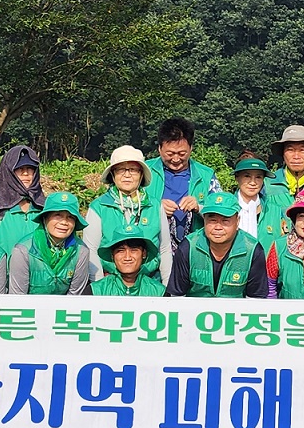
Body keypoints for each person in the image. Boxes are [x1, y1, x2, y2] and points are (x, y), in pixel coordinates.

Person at [84, 145, 170, 283]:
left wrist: (166, 288)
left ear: (141, 174)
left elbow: (165, 249)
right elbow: (91, 250)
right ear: (112, 174)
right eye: (120, 169)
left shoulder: (155, 205)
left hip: (150, 281)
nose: (127, 174)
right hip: (110, 281)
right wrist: (99, 287)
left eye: (133, 170)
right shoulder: (98, 207)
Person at [169, 190, 270, 297]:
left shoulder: (252, 250)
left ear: (237, 221)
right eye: (212, 220)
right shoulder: (188, 247)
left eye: (225, 221)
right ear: (204, 220)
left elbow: (256, 300)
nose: (218, 227)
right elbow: (176, 296)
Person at [147, 117, 220, 248]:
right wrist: (155, 208)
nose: (175, 159)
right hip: (153, 249)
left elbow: (222, 212)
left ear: (191, 148)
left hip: (195, 249)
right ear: (159, 148)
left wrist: (199, 208)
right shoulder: (144, 173)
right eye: (170, 153)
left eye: (182, 153)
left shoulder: (206, 176)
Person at [3, 191, 94, 294]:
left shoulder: (81, 251)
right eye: (57, 215)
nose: (64, 222)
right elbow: (18, 296)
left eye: (70, 217)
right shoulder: (23, 250)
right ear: (44, 218)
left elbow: (74, 295)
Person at [261, 125, 304, 247]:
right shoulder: (268, 183)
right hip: (277, 251)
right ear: (283, 153)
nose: (296, 156)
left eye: (302, 150)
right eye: (290, 150)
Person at [0, 144, 46, 257]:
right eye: (19, 169)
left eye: (30, 168)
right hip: (5, 274)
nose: (25, 173)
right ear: (8, 172)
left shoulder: (46, 209)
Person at [93, 225, 169, 296]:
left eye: (134, 250)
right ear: (112, 255)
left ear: (144, 254)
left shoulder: (159, 293)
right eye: (120, 251)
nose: (127, 257)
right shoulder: (96, 291)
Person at [232, 153, 270, 238]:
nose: (253, 182)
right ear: (237, 178)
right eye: (247, 176)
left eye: (258, 177)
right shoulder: (226, 208)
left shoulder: (274, 210)